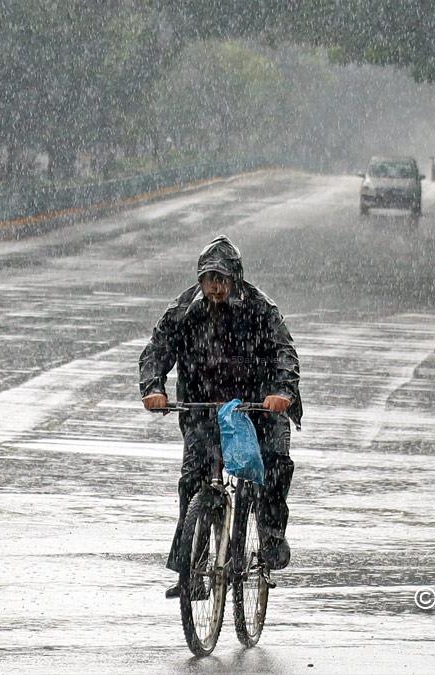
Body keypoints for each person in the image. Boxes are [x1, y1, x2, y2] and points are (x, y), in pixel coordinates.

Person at [139, 235, 302, 598]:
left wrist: (281, 393)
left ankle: (272, 535)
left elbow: (284, 353)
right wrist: (153, 388)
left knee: (274, 462)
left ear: (236, 279)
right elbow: (157, 348)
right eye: (208, 279)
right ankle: (190, 571)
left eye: (222, 279)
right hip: (204, 405)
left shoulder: (261, 309)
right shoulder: (184, 310)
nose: (215, 287)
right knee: (192, 479)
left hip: (257, 406)